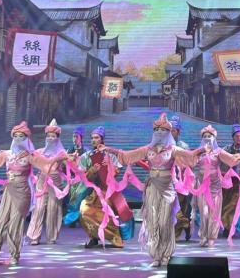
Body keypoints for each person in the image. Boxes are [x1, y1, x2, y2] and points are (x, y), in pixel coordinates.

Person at [0, 121, 67, 267]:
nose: (18, 139)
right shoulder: (7, 155)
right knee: (0, 222)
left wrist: (60, 158)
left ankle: (14, 256)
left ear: (26, 139)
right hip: (9, 192)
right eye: (16, 136)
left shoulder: (30, 156)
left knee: (15, 224)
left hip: (23, 193)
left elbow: (47, 164)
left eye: (21, 136)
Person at [101, 113, 200, 267]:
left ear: (168, 132)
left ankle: (166, 254)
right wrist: (110, 149)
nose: (159, 132)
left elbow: (189, 156)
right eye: (157, 130)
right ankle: (156, 255)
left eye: (162, 130)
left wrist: (200, 151)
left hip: (167, 189)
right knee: (153, 222)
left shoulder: (173, 149)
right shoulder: (148, 149)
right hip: (152, 189)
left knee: (165, 222)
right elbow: (127, 156)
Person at [78, 126, 134, 248]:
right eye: (92, 138)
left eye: (96, 138)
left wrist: (108, 167)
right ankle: (93, 237)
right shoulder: (86, 156)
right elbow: (84, 177)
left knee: (107, 214)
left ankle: (115, 237)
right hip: (94, 192)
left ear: (102, 139)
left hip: (108, 191)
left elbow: (117, 172)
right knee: (84, 210)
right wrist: (93, 170)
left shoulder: (110, 155)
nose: (93, 140)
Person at [192, 125, 240, 247]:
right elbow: (189, 159)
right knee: (203, 212)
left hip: (215, 186)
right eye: (205, 136)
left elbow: (231, 159)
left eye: (209, 136)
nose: (207, 138)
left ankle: (211, 237)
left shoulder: (218, 151)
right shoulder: (199, 152)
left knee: (213, 213)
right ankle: (203, 235)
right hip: (202, 185)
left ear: (214, 138)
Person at [26, 119, 68, 245]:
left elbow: (68, 166)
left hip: (55, 182)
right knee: (38, 208)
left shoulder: (62, 153)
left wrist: (68, 160)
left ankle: (51, 236)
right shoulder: (39, 152)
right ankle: (34, 236)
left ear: (57, 138)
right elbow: (30, 159)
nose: (50, 138)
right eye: (48, 136)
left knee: (53, 208)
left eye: (53, 136)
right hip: (42, 180)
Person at [63, 125, 90, 227]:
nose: (74, 139)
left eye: (76, 137)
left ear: (81, 138)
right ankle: (71, 220)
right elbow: (64, 164)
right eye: (73, 136)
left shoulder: (86, 150)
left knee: (80, 197)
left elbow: (87, 165)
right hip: (72, 178)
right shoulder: (69, 150)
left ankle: (80, 218)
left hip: (82, 179)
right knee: (71, 198)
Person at [170, 115, 192, 241]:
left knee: (182, 208)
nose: (170, 133)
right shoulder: (163, 145)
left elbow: (189, 163)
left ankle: (186, 226)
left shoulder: (183, 146)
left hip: (181, 183)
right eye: (169, 130)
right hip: (168, 182)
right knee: (171, 208)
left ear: (178, 132)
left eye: (173, 130)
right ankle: (173, 234)